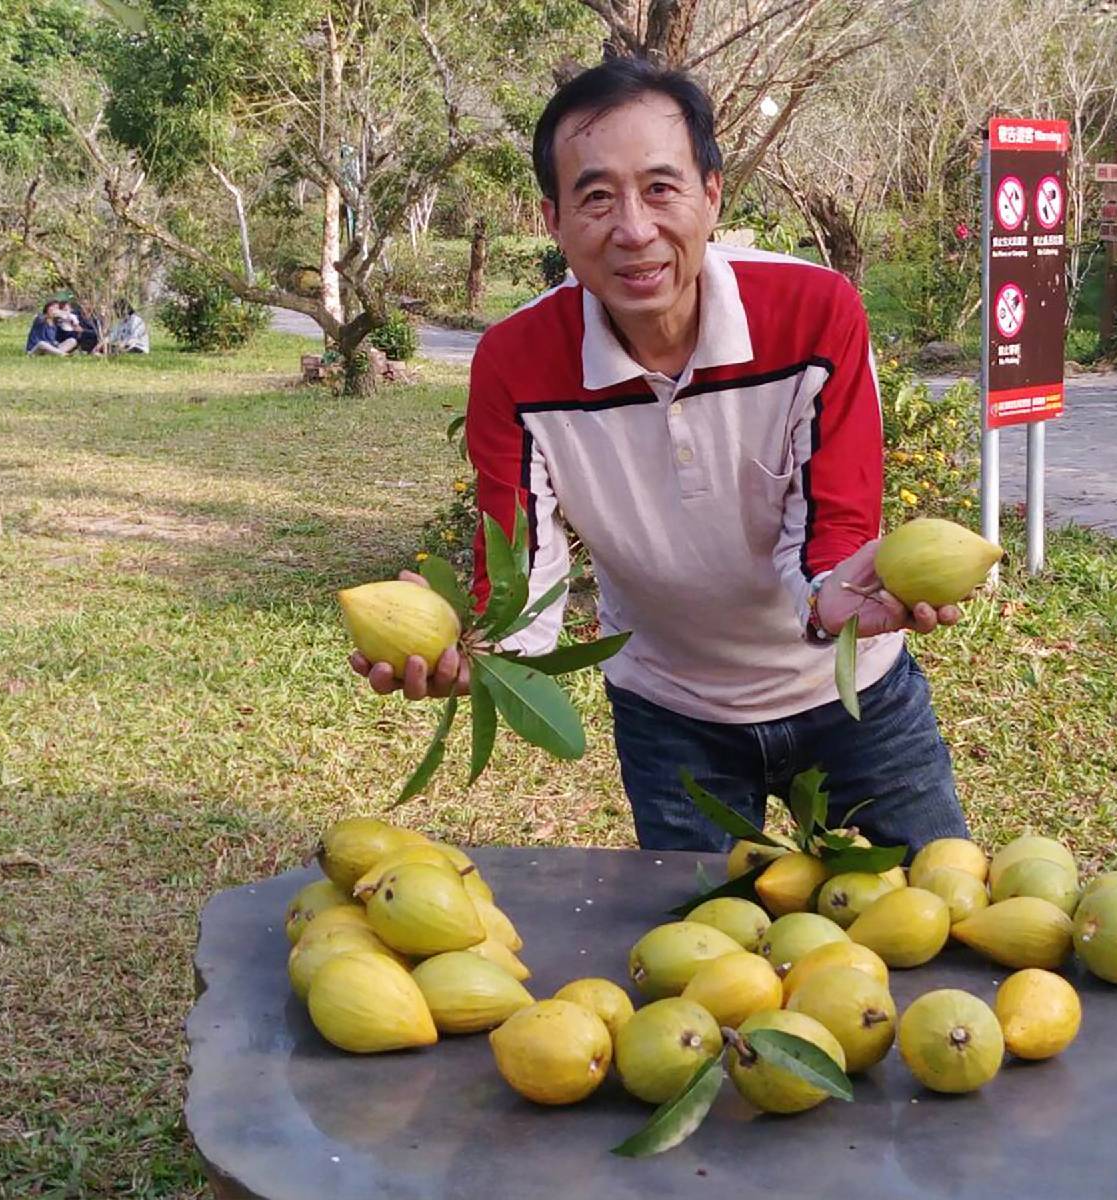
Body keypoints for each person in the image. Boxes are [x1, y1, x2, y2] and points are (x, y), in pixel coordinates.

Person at [351, 58, 971, 855]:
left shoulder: (815, 314)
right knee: (705, 962)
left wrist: (836, 600)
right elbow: (521, 565)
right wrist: (480, 657)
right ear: (553, 219)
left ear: (712, 194)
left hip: (855, 698)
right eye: (597, 196)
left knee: (941, 921)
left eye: (661, 188)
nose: (634, 230)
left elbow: (833, 522)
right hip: (669, 714)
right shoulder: (516, 362)